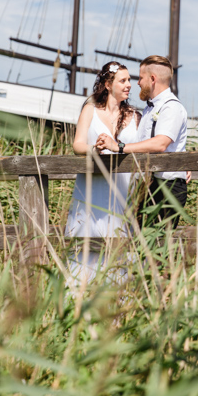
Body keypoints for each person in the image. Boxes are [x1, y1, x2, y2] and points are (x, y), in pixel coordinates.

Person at [65, 61, 140, 282]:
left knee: (119, 245)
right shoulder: (90, 110)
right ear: (108, 84)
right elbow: (77, 144)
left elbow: (149, 147)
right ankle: (79, 298)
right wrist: (94, 148)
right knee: (86, 241)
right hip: (92, 187)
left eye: (129, 80)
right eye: (123, 81)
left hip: (122, 190)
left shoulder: (135, 116)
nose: (129, 85)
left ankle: (118, 301)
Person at [95, 55, 188, 228]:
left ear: (152, 79)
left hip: (167, 187)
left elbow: (160, 143)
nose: (137, 83)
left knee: (157, 245)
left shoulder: (171, 107)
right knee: (141, 244)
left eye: (140, 78)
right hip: (150, 184)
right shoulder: (149, 108)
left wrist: (119, 147)